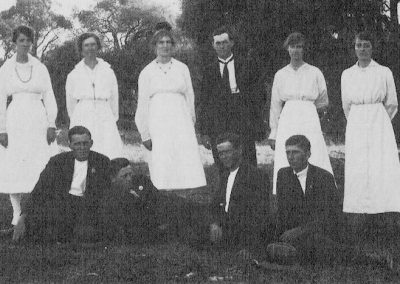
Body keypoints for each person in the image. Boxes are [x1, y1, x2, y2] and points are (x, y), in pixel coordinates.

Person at [270, 135, 392, 267]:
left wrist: (299, 231)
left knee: (317, 243)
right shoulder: (283, 175)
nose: (290, 157)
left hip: (321, 230)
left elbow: (328, 216)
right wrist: (283, 233)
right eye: (287, 152)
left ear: (308, 154)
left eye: (295, 152)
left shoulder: (324, 177)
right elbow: (283, 210)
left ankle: (373, 259)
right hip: (294, 230)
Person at [341, 32, 400, 230]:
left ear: (372, 48)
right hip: (357, 121)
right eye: (359, 45)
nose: (362, 49)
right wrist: (359, 121)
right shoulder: (347, 74)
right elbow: (346, 105)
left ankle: (384, 212)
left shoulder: (384, 72)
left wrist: (378, 122)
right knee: (358, 167)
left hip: (378, 122)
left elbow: (391, 104)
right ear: (354, 48)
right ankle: (359, 213)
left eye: (366, 45)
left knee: (380, 165)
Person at [0, 25, 58, 229]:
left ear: (32, 43)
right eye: (21, 40)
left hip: (37, 119)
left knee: (38, 163)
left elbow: (49, 95)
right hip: (16, 119)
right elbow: (0, 99)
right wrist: (2, 129)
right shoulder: (6, 69)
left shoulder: (40, 67)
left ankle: (35, 211)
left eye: (28, 41)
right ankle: (16, 212)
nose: (25, 44)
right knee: (15, 165)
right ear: (14, 42)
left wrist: (51, 124)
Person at [135, 27, 206, 190]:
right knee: (162, 161)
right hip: (158, 122)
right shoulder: (147, 72)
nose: (165, 46)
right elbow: (142, 104)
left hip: (181, 120)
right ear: (155, 46)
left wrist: (191, 122)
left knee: (183, 160)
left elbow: (190, 96)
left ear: (173, 46)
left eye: (168, 42)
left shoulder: (182, 68)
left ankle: (185, 195)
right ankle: (163, 193)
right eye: (161, 42)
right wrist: (144, 133)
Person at [12, 126, 111, 243]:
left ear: (91, 143)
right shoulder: (57, 161)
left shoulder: (101, 161)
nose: (82, 148)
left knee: (86, 234)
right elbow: (39, 189)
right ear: (70, 145)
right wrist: (23, 217)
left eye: (85, 143)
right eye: (77, 144)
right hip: (62, 204)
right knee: (38, 221)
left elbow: (106, 192)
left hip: (87, 205)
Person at [268, 32, 333, 194]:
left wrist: (310, 111)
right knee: (289, 154)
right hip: (288, 118)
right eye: (292, 47)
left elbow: (323, 100)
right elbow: (275, 104)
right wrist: (274, 133)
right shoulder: (281, 74)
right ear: (287, 49)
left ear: (304, 49)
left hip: (309, 118)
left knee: (313, 152)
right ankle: (287, 191)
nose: (295, 51)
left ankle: (317, 189)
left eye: (299, 47)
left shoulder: (315, 72)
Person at [199, 26, 264, 170]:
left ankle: (249, 191)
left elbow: (258, 95)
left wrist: (255, 121)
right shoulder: (208, 71)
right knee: (222, 163)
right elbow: (203, 102)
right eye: (218, 43)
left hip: (242, 121)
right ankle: (225, 191)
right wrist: (204, 132)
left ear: (232, 43)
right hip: (218, 123)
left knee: (247, 160)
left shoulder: (247, 65)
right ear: (213, 45)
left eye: (225, 42)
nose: (222, 46)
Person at [209, 132, 271, 256]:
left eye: (228, 152)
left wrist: (249, 246)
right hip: (224, 226)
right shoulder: (225, 175)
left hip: (243, 231)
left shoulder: (255, 176)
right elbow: (215, 205)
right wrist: (214, 223)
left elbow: (259, 214)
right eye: (221, 153)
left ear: (239, 150)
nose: (224, 157)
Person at [66, 33, 123, 159]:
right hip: (83, 114)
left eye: (93, 45)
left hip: (104, 114)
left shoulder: (108, 71)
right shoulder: (74, 74)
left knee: (108, 149)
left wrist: (111, 118)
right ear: (81, 49)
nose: (90, 48)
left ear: (98, 47)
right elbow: (70, 103)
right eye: (86, 45)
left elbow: (114, 97)